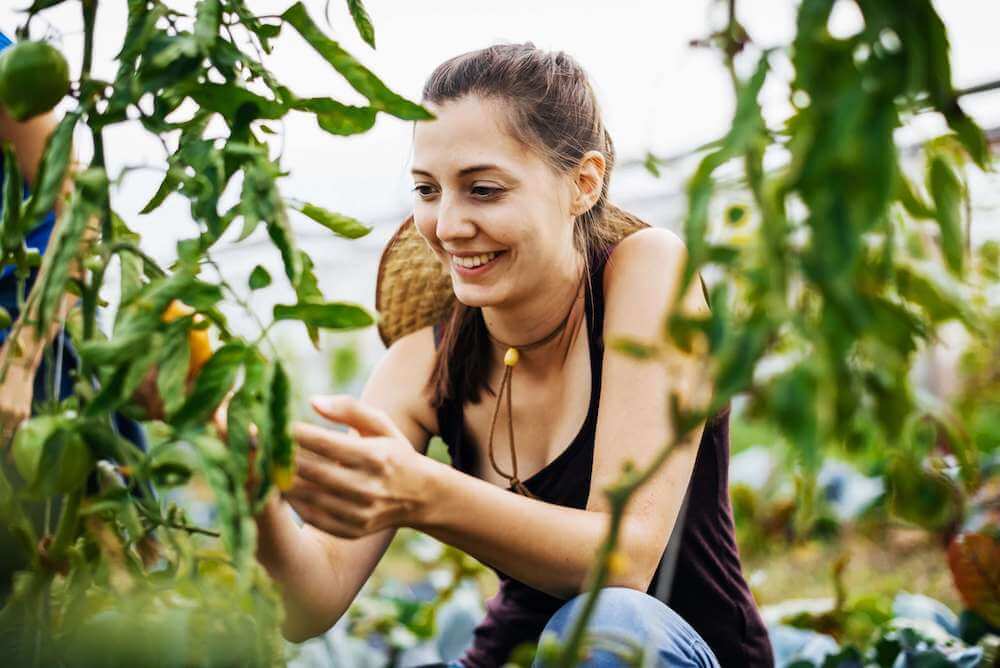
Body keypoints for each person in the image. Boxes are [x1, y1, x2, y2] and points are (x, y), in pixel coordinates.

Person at [252, 43, 774, 667]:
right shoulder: (424, 362)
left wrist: (421, 492)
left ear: (583, 183)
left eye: (483, 189)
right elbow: (313, 598)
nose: (446, 225)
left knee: (611, 623)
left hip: (656, 654)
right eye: (427, 189)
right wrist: (246, 474)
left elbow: (625, 559)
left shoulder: (647, 274)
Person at [0, 30, 147, 600]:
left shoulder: (7, 67)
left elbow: (78, 212)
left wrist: (20, 361)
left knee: (92, 586)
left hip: (33, 357)